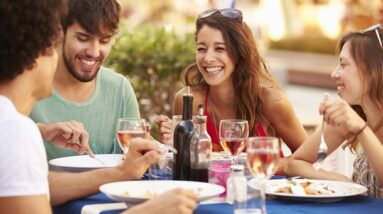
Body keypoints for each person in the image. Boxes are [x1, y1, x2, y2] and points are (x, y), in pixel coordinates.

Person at [0, 1, 197, 213]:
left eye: (104, 40)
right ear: (33, 59)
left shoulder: (12, 126)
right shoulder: (15, 130)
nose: (94, 51)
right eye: (50, 48)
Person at [155, 8, 307, 172]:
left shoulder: (272, 102)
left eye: (220, 48)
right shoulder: (188, 99)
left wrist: (257, 164)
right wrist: (173, 147)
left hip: (267, 193)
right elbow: (185, 168)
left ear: (240, 52)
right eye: (201, 48)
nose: (208, 58)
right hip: (211, 195)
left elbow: (308, 157)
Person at [30, 0, 140, 160]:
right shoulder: (27, 82)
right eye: (83, 38)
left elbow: (135, 157)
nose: (94, 52)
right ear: (60, 32)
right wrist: (39, 130)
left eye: (104, 41)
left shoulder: (120, 89)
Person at [285, 24, 383, 198]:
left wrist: (361, 129)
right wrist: (339, 180)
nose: (334, 74)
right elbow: (294, 164)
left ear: (372, 71)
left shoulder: (356, 121)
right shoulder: (351, 116)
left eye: (343, 65)